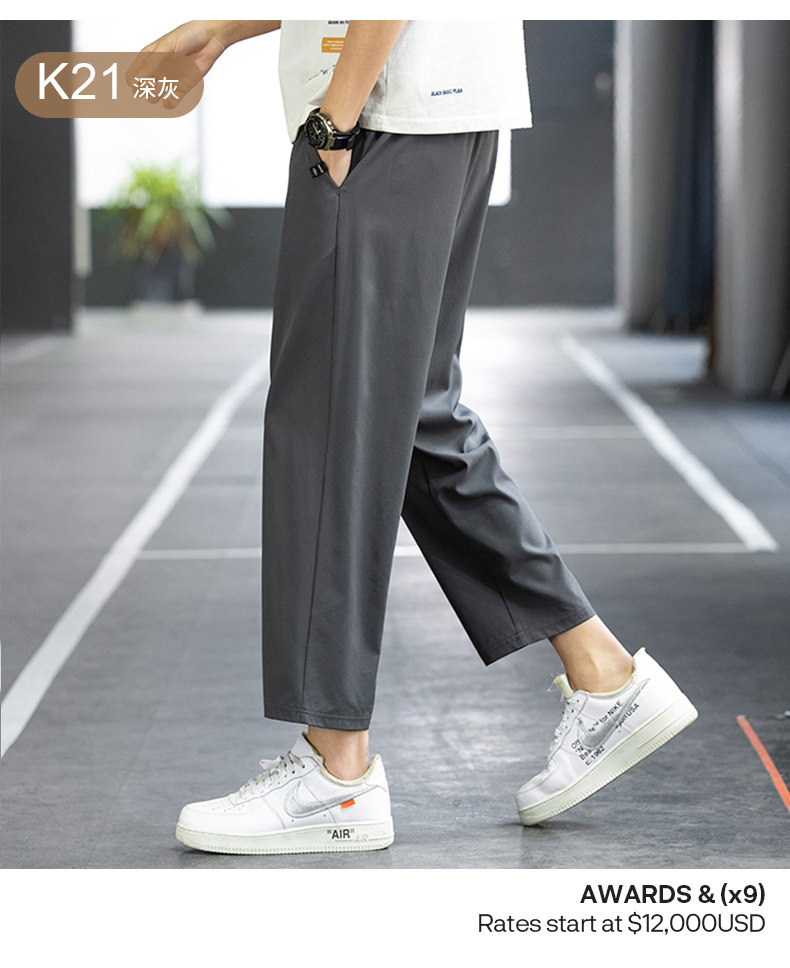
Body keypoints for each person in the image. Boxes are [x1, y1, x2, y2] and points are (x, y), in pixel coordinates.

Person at [132, 20, 697, 856]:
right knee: (414, 412)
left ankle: (336, 771)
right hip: (438, 101)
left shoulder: (359, 117)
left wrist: (336, 119)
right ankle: (603, 672)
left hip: (384, 113)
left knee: (327, 423)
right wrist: (232, 25)